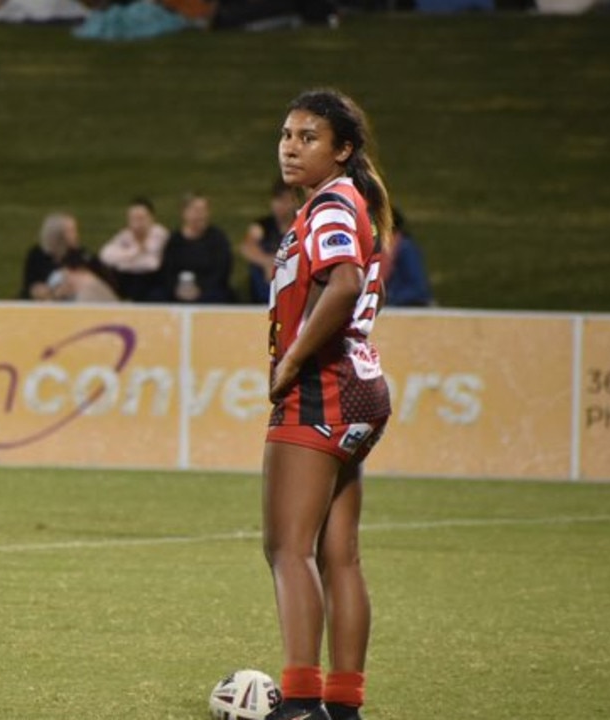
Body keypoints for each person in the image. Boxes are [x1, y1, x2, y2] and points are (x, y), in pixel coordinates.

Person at [261, 88, 393, 720]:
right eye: (287, 134)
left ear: (342, 150)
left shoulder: (333, 205)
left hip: (323, 388)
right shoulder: (341, 203)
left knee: (287, 548)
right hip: (361, 388)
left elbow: (343, 283)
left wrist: (290, 362)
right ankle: (343, 703)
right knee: (338, 553)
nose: (291, 146)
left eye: (308, 137)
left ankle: (301, 699)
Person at [20, 212, 117, 302]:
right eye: (71, 231)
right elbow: (31, 286)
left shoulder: (83, 256)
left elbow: (106, 281)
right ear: (57, 235)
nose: (76, 235)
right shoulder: (37, 255)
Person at [156, 192, 235, 303]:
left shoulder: (217, 239)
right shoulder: (174, 240)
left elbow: (222, 271)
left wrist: (200, 288)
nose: (200, 215)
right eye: (196, 211)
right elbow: (167, 270)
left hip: (209, 291)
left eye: (204, 210)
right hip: (178, 290)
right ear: (184, 213)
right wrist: (177, 288)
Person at [98, 197, 169, 301]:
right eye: (133, 219)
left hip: (152, 283)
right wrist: (134, 252)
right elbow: (105, 255)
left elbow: (151, 264)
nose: (137, 224)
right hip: (127, 281)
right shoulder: (124, 236)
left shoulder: (160, 235)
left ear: (151, 218)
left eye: (141, 218)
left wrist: (128, 260)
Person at [241, 178, 297, 304]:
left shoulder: (300, 226)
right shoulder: (262, 226)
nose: (281, 206)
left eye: (286, 201)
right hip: (266, 282)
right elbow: (247, 247)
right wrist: (267, 262)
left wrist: (278, 265)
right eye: (278, 201)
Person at [379, 207, 434, 307]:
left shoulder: (405, 248)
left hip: (409, 308)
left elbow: (417, 289)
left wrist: (388, 300)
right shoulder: (380, 249)